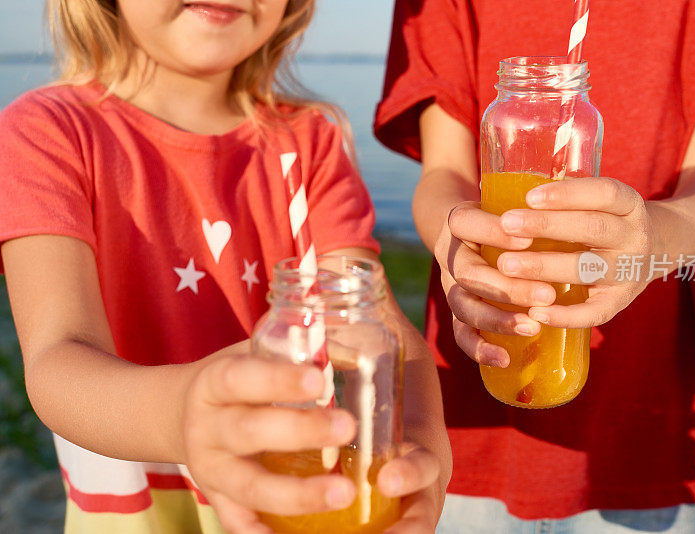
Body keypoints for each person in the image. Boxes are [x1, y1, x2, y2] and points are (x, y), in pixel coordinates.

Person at [0, 1, 451, 533]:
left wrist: (421, 437)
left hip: (303, 500)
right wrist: (181, 414)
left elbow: (370, 320)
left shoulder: (314, 139)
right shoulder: (45, 132)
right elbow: (57, 361)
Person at [375, 0, 695, 532]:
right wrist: (455, 239)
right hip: (466, 424)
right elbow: (443, 173)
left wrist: (654, 240)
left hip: (649, 420)